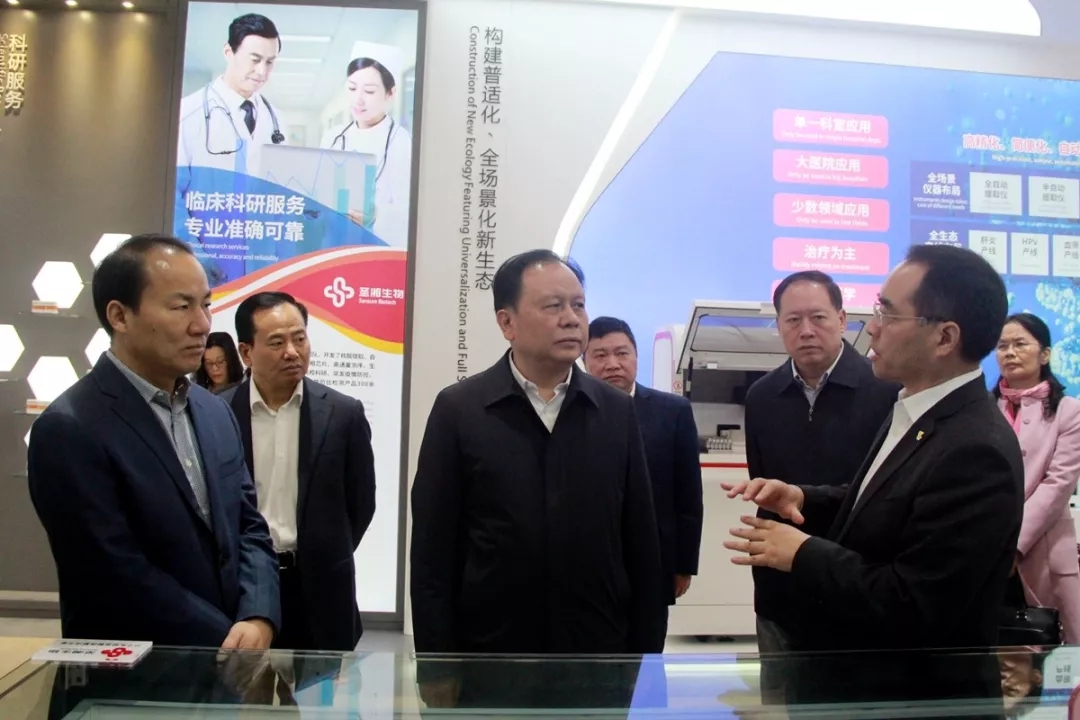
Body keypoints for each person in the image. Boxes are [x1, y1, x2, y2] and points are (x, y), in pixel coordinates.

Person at [723, 244, 1024, 706]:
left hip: (913, 700)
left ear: (944, 338)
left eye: (887, 313)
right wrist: (804, 498)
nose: (873, 328)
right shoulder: (916, 410)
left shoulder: (975, 450)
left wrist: (803, 552)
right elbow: (883, 502)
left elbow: (914, 601)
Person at [410, 249, 666, 710]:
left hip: (596, 658)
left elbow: (641, 541)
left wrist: (645, 658)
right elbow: (432, 551)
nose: (572, 319)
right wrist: (437, 664)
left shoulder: (615, 411)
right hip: (490, 660)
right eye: (553, 306)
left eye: (578, 305)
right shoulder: (460, 410)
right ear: (507, 322)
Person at [27, 234, 280, 648]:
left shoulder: (215, 412)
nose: (202, 324)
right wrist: (225, 640)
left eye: (206, 304)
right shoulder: (69, 428)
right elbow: (112, 572)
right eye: (182, 307)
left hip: (228, 668)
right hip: (132, 671)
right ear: (119, 316)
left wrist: (258, 615)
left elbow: (248, 526)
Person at [742, 270, 898, 703]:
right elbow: (765, 485)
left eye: (818, 317)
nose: (806, 330)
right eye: (793, 320)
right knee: (782, 701)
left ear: (843, 319)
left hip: (858, 580)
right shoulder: (761, 397)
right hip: (780, 588)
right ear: (778, 326)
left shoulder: (887, 390)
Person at [221, 292, 376, 651]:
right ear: (246, 352)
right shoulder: (216, 413)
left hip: (319, 588)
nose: (292, 352)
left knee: (316, 685)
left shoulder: (342, 414)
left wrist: (325, 550)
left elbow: (361, 504)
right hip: (242, 587)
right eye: (277, 343)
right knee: (240, 683)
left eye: (300, 338)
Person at [584, 316, 704, 618]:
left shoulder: (673, 411)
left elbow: (688, 495)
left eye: (622, 353)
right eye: (600, 355)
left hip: (654, 559)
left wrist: (684, 564)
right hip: (589, 564)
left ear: (636, 357)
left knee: (648, 642)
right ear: (584, 362)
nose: (613, 364)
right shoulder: (574, 412)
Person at [994, 312, 1080, 641]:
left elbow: (1058, 484)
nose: (1010, 353)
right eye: (1002, 346)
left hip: (1043, 550)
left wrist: (1014, 545)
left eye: (1020, 344)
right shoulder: (985, 408)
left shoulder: (1068, 411)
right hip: (987, 549)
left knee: (1055, 653)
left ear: (1044, 354)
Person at [177, 14, 286, 177]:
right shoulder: (187, 113)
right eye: (255, 60)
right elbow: (171, 188)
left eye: (269, 62)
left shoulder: (276, 119)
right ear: (228, 52)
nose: (262, 71)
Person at [320, 57, 412, 248]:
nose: (358, 100)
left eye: (369, 91)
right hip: (333, 247)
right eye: (352, 88)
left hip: (377, 250)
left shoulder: (400, 141)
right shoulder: (333, 137)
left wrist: (376, 216)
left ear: (390, 93)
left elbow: (408, 212)